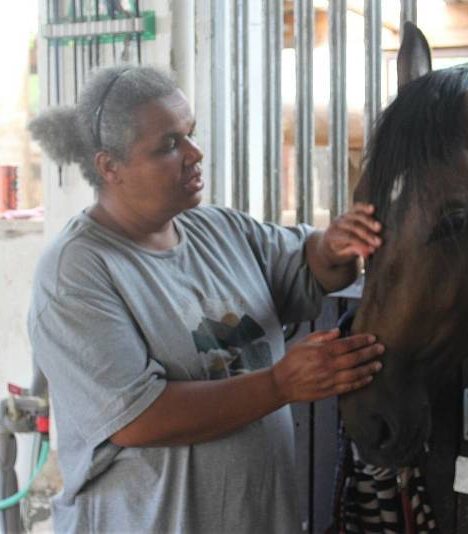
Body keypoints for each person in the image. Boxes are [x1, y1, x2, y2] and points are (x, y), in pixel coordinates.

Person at [27, 64, 384, 533]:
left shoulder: (220, 229)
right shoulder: (77, 272)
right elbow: (139, 418)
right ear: (109, 167)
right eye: (169, 145)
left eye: (190, 134)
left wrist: (334, 245)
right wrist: (279, 385)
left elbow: (309, 267)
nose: (195, 154)